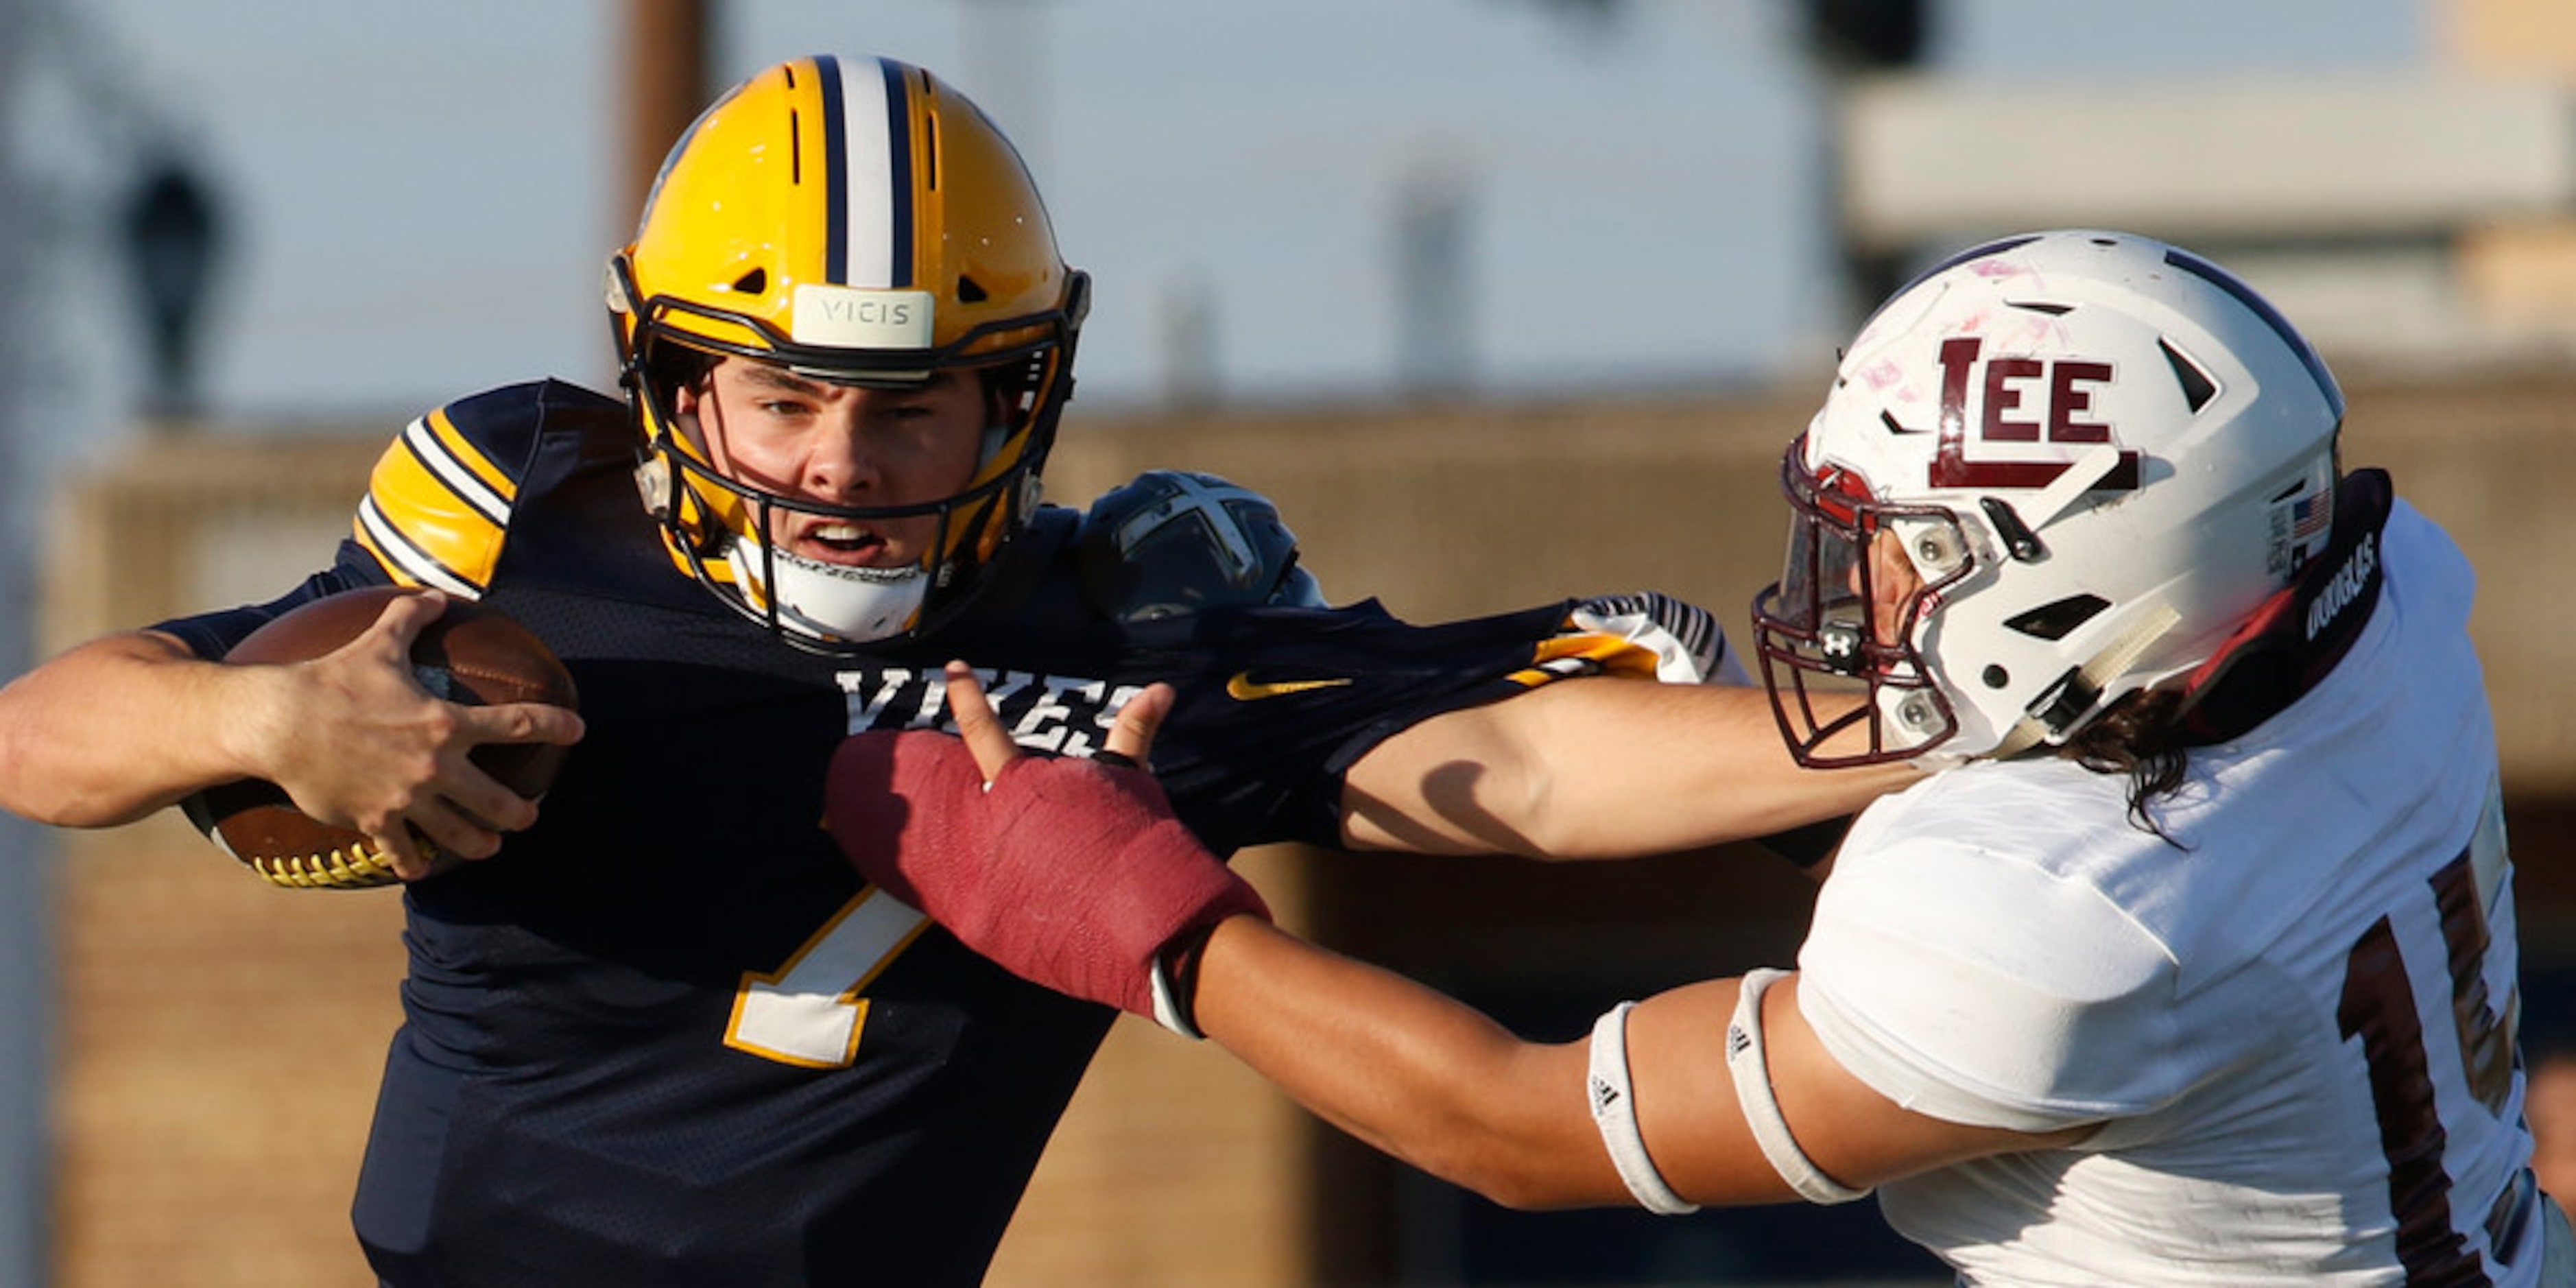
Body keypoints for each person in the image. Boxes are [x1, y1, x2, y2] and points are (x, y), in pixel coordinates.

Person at [0, 54, 1902, 1287]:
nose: (838, 463)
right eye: (785, 396)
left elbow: (1544, 772)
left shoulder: (1129, 634)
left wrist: (1938, 723)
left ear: (1017, 392)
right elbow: (40, 735)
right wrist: (251, 713)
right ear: (670, 384)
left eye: (908, 406)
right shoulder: (521, 529)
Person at [838, 229, 2574, 1284]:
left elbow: (1512, 1134)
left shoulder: (2068, 928)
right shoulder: (2366, 591)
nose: (1854, 584)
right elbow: (2092, 759)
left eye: (1907, 542)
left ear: (2081, 587)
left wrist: (1156, 924)